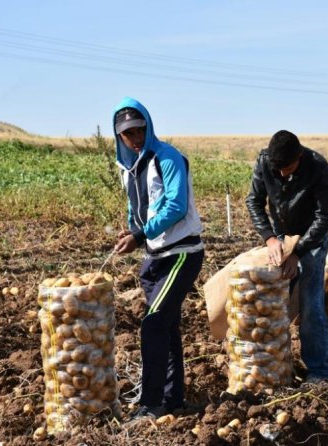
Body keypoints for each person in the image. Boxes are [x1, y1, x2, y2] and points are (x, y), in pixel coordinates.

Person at [112, 97, 204, 419]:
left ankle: (150, 404)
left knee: (152, 325)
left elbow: (176, 206)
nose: (135, 139)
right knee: (166, 327)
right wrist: (131, 232)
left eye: (138, 131)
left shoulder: (167, 158)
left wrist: (140, 235)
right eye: (127, 134)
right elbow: (135, 209)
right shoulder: (129, 167)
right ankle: (173, 401)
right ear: (119, 136)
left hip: (181, 253)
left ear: (148, 127)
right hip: (155, 258)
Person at [245, 130, 328, 383]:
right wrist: (270, 238)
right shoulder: (265, 162)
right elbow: (254, 201)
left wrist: (298, 251)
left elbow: (323, 217)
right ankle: (275, 368)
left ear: (299, 156)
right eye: (278, 169)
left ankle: (318, 371)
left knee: (310, 303)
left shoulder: (317, 166)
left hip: (311, 238)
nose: (282, 173)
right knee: (272, 303)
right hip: (280, 236)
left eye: (287, 167)